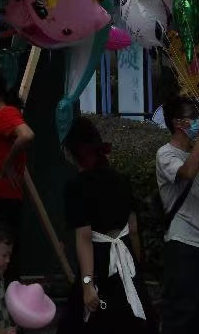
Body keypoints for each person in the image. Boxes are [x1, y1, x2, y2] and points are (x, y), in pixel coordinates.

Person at [59, 116, 155, 334]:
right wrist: (136, 271)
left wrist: (87, 284)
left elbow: (84, 237)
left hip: (100, 262)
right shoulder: (122, 180)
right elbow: (134, 229)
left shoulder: (76, 186)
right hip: (126, 260)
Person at [155, 96, 199, 334]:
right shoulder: (165, 154)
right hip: (182, 244)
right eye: (193, 118)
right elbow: (187, 172)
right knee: (182, 316)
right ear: (178, 123)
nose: (198, 122)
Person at [0, 68, 33, 273]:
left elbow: (26, 135)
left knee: (4, 257)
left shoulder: (6, 113)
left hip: (5, 198)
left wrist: (8, 162)